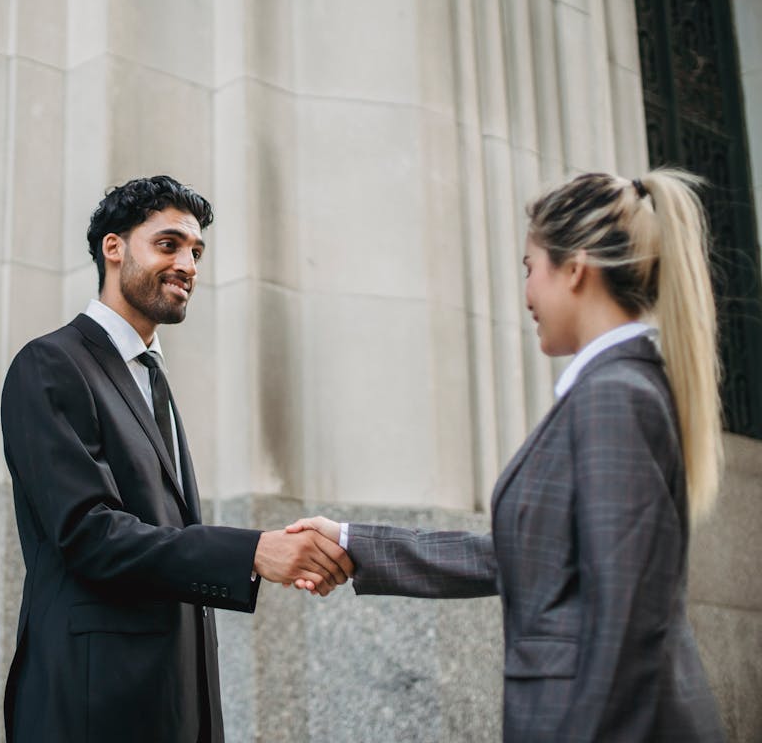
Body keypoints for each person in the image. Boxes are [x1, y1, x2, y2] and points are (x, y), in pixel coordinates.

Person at [289, 169, 726, 741]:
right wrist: (350, 541)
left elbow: (626, 624)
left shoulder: (615, 398)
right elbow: (518, 553)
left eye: (529, 267)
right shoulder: (608, 392)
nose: (526, 294)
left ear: (575, 268)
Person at [0, 175, 354, 742]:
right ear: (113, 248)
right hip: (91, 705)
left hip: (175, 703)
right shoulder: (50, 364)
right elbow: (90, 534)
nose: (188, 264)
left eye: (195, 252)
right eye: (168, 245)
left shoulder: (151, 376)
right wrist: (253, 552)